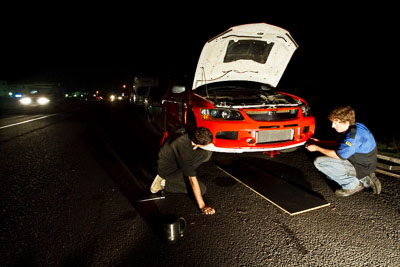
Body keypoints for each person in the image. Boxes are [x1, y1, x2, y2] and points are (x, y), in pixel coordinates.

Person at [306, 106, 382, 197]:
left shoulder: (353, 137)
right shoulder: (355, 127)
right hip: (362, 162)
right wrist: (319, 142)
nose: (332, 126)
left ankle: (353, 185)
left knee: (319, 162)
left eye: (335, 123)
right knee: (331, 170)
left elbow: (338, 155)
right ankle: (364, 177)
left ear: (346, 122)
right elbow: (340, 144)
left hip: (361, 165)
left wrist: (317, 148)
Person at [150, 127, 216, 215]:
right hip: (166, 169)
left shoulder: (187, 129)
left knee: (206, 153)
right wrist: (202, 206)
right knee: (202, 189)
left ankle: (181, 173)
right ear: (196, 142)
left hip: (169, 155)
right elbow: (192, 180)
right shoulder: (185, 152)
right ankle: (163, 182)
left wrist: (198, 145)